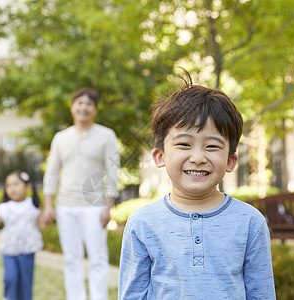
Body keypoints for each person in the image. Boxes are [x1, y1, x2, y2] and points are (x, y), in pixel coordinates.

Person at [118, 77, 276, 299]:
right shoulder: (142, 223)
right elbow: (133, 294)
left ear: (231, 161)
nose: (198, 157)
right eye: (184, 144)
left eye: (212, 146)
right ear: (160, 155)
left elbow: (261, 294)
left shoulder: (250, 222)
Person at [42, 88, 119, 300]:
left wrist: (108, 205)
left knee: (97, 258)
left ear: (95, 110)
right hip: (65, 205)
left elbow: (113, 171)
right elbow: (51, 172)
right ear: (72, 107)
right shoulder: (60, 137)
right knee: (71, 259)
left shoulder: (106, 136)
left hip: (94, 205)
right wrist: (48, 205)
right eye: (79, 103)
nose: (83, 107)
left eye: (88, 104)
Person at [0, 171, 45, 300]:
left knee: (26, 281)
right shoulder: (5, 208)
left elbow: (41, 225)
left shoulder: (33, 205)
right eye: (8, 185)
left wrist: (50, 217)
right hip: (9, 251)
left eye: (16, 184)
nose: (11, 188)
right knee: (10, 278)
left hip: (27, 251)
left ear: (27, 187)